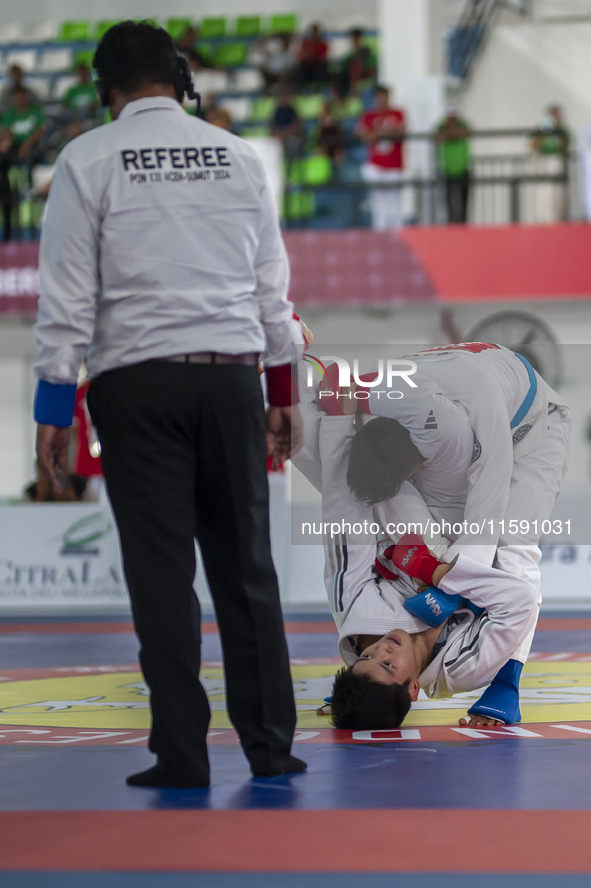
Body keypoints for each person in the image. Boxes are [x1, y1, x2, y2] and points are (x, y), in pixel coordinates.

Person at [33, 21, 306, 789]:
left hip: (136, 387)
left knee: (160, 576)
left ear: (103, 89)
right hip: (230, 380)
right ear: (179, 78)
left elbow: (66, 302)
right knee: (246, 570)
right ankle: (270, 748)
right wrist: (280, 393)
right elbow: (270, 291)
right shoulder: (239, 155)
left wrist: (54, 409)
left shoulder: (85, 159)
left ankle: (181, 756)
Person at [356, 85, 406, 229]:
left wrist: (379, 133)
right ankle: (380, 230)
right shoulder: (369, 116)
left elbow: (401, 133)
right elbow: (364, 135)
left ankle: (398, 231)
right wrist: (384, 133)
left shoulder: (397, 113)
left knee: (394, 202)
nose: (382, 99)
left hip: (394, 164)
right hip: (376, 165)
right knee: (379, 203)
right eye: (379, 96)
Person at [530, 104, 570, 223]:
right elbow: (533, 146)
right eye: (552, 114)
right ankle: (543, 220)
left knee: (557, 195)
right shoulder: (540, 130)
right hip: (543, 165)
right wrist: (544, 132)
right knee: (544, 194)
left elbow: (565, 146)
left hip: (557, 165)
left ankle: (558, 220)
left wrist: (557, 129)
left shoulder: (563, 131)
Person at [434, 109, 471, 223]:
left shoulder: (463, 124)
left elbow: (465, 133)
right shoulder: (441, 126)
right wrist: (453, 133)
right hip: (447, 170)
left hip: (463, 169)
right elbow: (438, 137)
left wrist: (449, 133)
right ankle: (451, 227)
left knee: (463, 205)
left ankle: (463, 227)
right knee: (449, 205)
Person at [339, 28, 377, 96]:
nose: (354, 41)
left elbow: (371, 69)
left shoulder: (366, 51)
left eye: (356, 38)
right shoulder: (350, 55)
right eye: (353, 39)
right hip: (350, 79)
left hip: (364, 76)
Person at [270, 91, 302, 159]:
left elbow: (297, 124)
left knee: (293, 143)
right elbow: (273, 125)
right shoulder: (277, 111)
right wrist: (278, 133)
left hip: (290, 135)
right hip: (280, 135)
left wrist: (287, 133)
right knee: (274, 144)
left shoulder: (292, 110)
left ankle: (291, 162)